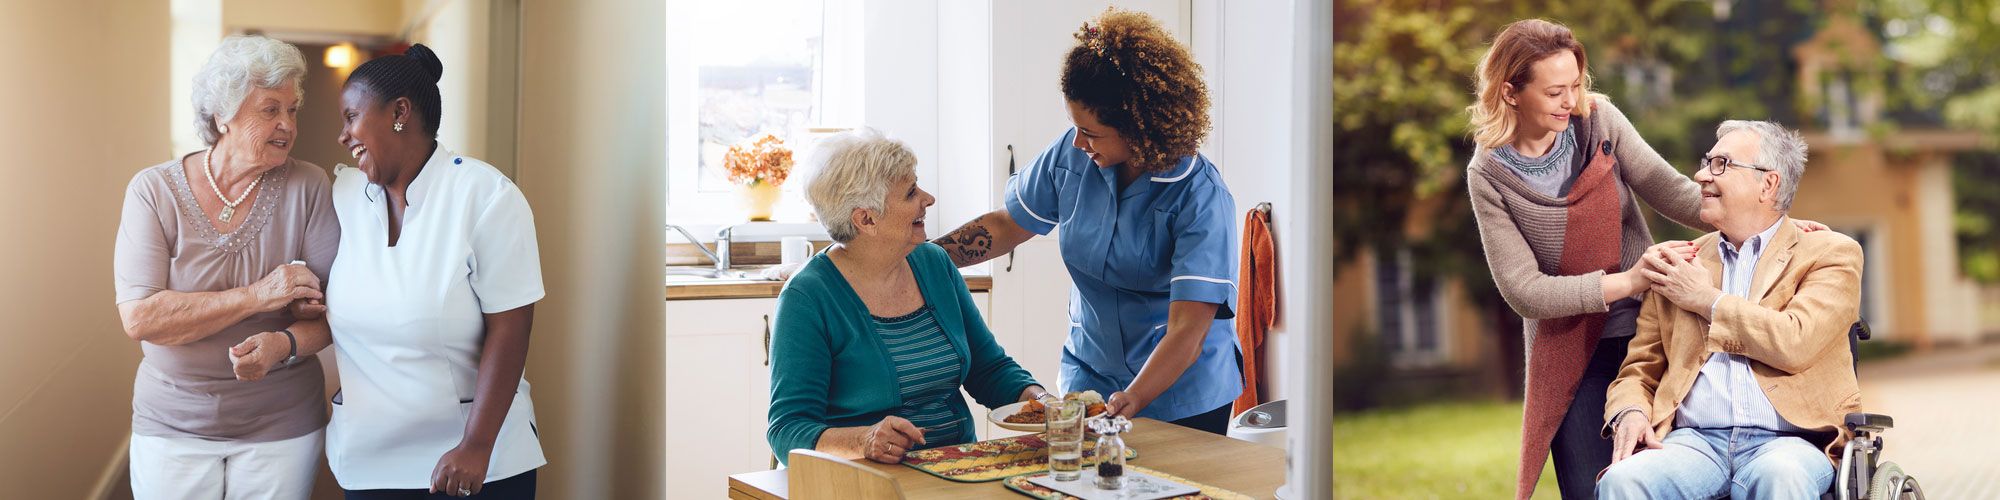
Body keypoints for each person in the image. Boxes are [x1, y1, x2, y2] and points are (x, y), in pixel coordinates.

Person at [1462, 19, 1827, 499]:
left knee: (1675, 470)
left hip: (1651, 331)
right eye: (1554, 92)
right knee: (1595, 485)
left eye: (1575, 85)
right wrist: (1629, 281)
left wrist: (1775, 226)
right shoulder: (1489, 175)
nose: (1570, 102)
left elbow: (1671, 190)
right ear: (1511, 92)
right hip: (1573, 349)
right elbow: (1524, 291)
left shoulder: (1598, 122)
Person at [931, 7, 1242, 434]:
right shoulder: (1073, 153)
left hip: (1180, 396)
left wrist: (1134, 397)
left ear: (1139, 128)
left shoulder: (1200, 196)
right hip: (1089, 378)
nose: (1078, 141)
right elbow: (1007, 225)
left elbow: (1189, 329)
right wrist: (923, 258)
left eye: (1092, 132)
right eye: (1074, 126)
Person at [113, 35, 336, 499]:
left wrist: (283, 341)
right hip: (172, 421)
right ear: (222, 115)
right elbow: (140, 317)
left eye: (292, 110)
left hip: (282, 421)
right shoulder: (154, 192)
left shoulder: (309, 186)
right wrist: (260, 296)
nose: (287, 125)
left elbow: (333, 311)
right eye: (269, 109)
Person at [1597, 120, 1862, 499]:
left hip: (1788, 441)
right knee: (1623, 481)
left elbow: (1795, 341)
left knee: (1781, 476)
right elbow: (1640, 370)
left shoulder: (1830, 253)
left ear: (1767, 184)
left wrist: (1707, 300)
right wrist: (1630, 411)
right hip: (1694, 443)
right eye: (1707, 162)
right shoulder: (1679, 262)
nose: (1701, 174)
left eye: (1721, 164)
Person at [324, 44, 545, 499]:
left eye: (351, 117)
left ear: (399, 112)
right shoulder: (345, 197)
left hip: (471, 463)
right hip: (368, 462)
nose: (343, 136)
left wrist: (476, 445)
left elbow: (511, 326)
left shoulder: (485, 196)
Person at [768, 128, 1048, 465]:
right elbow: (787, 429)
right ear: (866, 219)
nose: (928, 199)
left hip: (955, 468)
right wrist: (865, 440)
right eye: (911, 192)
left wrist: (1041, 401)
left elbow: (988, 369)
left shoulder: (934, 264)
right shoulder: (808, 296)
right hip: (864, 480)